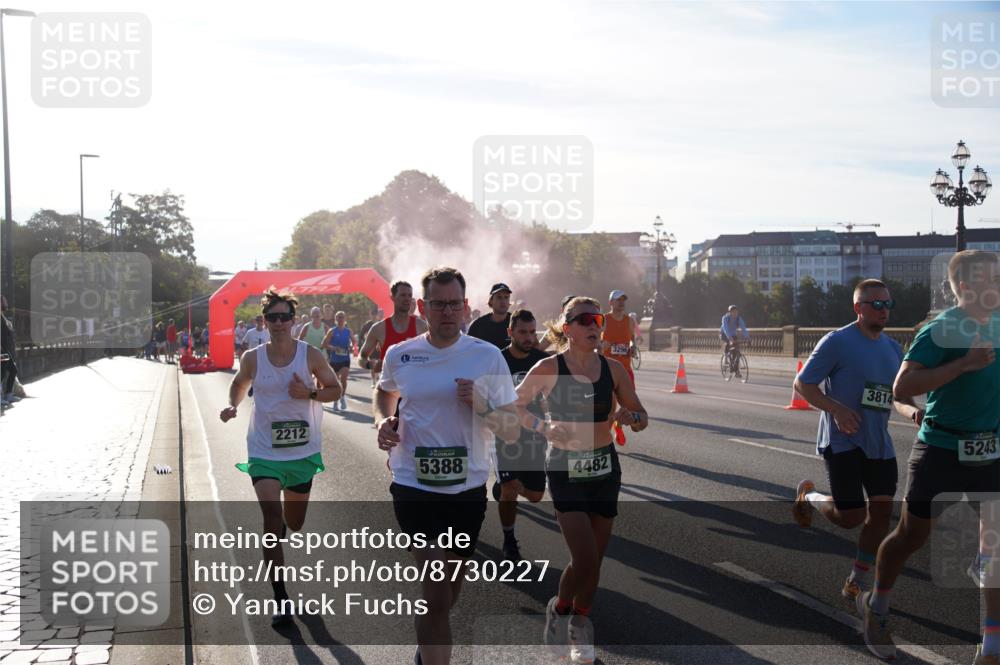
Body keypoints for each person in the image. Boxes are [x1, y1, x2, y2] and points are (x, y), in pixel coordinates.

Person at [858, 250, 1000, 662]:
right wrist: (963, 365)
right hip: (940, 449)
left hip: (989, 451)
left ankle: (991, 646)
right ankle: (877, 606)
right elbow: (902, 387)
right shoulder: (941, 331)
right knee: (910, 538)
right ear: (968, 286)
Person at [375, 267, 519, 665]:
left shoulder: (487, 357)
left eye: (454, 303)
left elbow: (510, 429)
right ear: (423, 307)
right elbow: (385, 394)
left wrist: (482, 404)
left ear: (466, 306)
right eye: (438, 304)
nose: (447, 312)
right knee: (437, 592)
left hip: (466, 490)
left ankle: (427, 647)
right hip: (412, 485)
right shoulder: (400, 354)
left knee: (446, 595)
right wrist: (382, 421)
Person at [515, 296, 649, 664]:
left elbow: (641, 414)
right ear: (567, 326)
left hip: (604, 468)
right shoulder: (548, 368)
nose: (594, 325)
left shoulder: (614, 370)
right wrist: (543, 427)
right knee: (586, 558)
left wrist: (630, 416)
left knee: (593, 562)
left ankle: (566, 609)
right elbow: (514, 406)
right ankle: (572, 625)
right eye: (585, 319)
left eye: (598, 319)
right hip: (565, 468)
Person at [791, 279, 921, 602]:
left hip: (879, 443)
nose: (883, 310)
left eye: (887, 304)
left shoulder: (894, 350)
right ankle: (809, 497)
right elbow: (802, 384)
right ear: (857, 309)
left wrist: (914, 413)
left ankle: (856, 580)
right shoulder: (837, 342)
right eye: (875, 304)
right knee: (851, 518)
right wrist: (836, 410)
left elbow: (898, 396)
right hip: (842, 441)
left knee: (879, 515)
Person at [220, 288, 342, 628]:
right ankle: (281, 598)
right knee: (272, 521)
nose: (278, 323)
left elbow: (335, 389)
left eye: (284, 317)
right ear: (264, 321)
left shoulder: (311, 355)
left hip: (301, 452)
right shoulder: (253, 357)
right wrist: (233, 404)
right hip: (264, 451)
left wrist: (311, 393)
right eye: (271, 317)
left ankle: (285, 522)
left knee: (295, 522)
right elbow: (239, 383)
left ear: (293, 320)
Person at [493, 309, 550, 562]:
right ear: (510, 333)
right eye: (522, 332)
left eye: (532, 332)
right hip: (504, 434)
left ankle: (508, 486)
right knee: (509, 491)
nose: (529, 338)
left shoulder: (543, 361)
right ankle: (509, 539)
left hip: (535, 433)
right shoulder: (496, 361)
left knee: (536, 495)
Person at [359, 281, 428, 385]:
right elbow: (362, 356)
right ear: (393, 298)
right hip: (387, 389)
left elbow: (435, 353)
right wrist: (370, 365)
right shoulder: (379, 328)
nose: (407, 299)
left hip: (415, 389)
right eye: (403, 295)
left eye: (409, 295)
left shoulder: (422, 326)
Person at [602, 290, 639, 447]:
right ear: (611, 302)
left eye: (623, 300)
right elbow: (595, 340)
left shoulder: (629, 321)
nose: (621, 302)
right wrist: (603, 345)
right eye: (618, 300)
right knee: (610, 406)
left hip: (625, 369)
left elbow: (631, 339)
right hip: (608, 369)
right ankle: (605, 439)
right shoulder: (604, 319)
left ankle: (618, 425)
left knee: (629, 405)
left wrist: (632, 347)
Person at [322, 311, 356, 412]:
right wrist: (333, 348)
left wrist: (351, 347)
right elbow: (324, 344)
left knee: (344, 379)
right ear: (335, 319)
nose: (340, 319)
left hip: (345, 359)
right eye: (338, 317)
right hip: (335, 360)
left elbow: (354, 342)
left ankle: (342, 397)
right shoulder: (332, 331)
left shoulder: (348, 331)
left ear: (345, 319)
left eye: (342, 317)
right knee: (336, 382)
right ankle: (336, 401)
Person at [468, 283, 513, 349]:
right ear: (491, 301)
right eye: (499, 297)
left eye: (506, 297)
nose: (503, 301)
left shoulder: (517, 322)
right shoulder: (478, 325)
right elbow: (469, 349)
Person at [719, 305, 749, 377]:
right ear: (729, 313)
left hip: (733, 334)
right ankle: (725, 358)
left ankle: (737, 372)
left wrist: (747, 337)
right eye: (733, 312)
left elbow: (743, 328)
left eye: (736, 312)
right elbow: (725, 329)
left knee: (736, 352)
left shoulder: (739, 319)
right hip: (724, 334)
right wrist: (729, 338)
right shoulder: (725, 318)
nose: (735, 313)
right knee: (728, 344)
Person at [1, 296, 20, 408]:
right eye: (4, 301)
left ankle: (8, 395)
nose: (6, 303)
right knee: (2, 373)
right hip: (1, 349)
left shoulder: (2, 316)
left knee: (13, 370)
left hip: (6, 349)